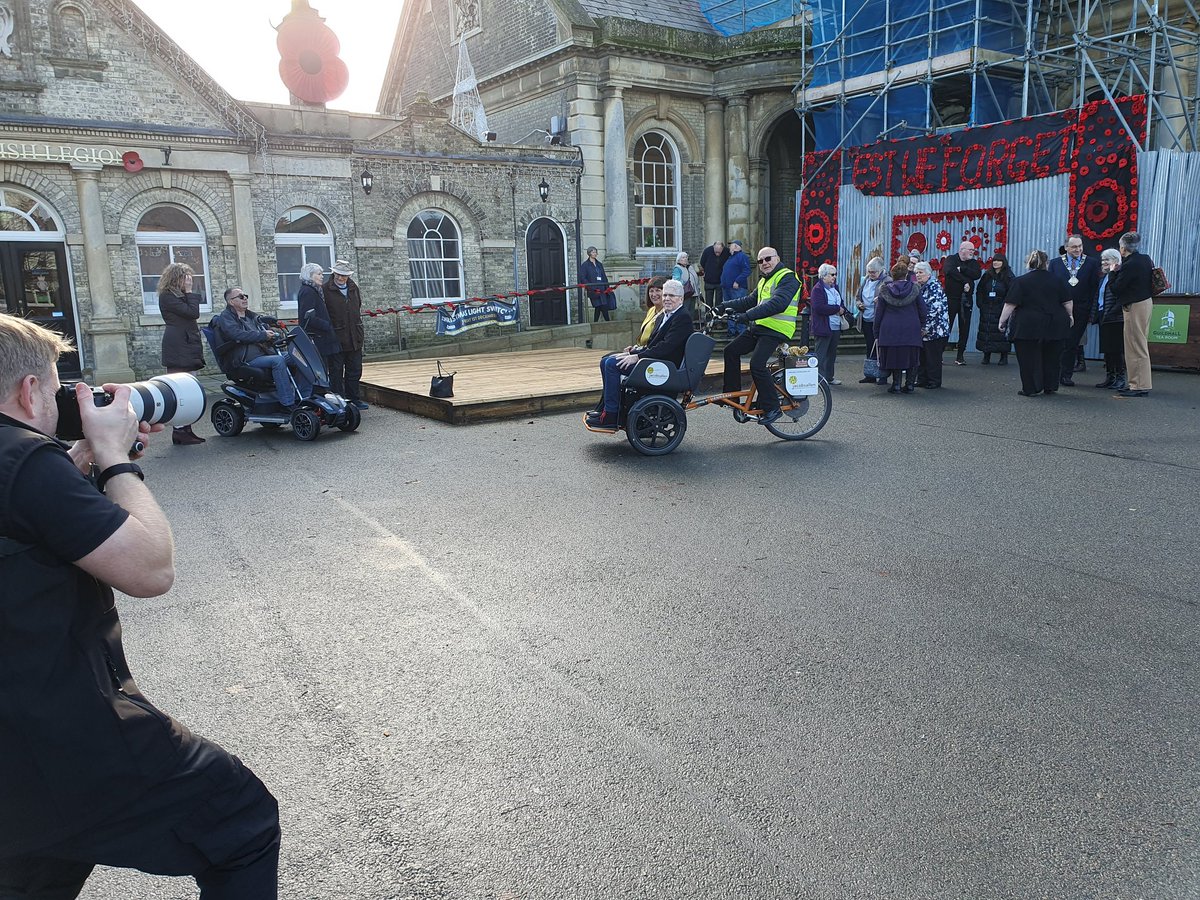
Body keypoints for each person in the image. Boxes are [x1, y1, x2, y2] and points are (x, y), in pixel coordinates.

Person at [0, 314, 280, 897]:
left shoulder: (31, 473)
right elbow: (150, 569)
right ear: (29, 392)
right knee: (240, 822)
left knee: (34, 870)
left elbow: (26, 524)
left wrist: (71, 469)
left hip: (14, 771)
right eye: (55, 390)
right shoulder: (23, 460)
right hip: (66, 741)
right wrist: (114, 460)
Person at [587, 279, 692, 429]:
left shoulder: (682, 317)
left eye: (672, 296)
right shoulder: (664, 316)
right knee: (606, 361)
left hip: (664, 367)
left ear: (681, 298)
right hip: (654, 360)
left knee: (611, 365)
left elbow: (665, 347)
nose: (667, 299)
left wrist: (637, 357)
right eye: (666, 295)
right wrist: (633, 351)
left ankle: (611, 414)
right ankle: (605, 409)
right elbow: (652, 344)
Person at [720, 246, 801, 425]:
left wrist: (746, 316)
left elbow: (778, 304)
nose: (764, 263)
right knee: (730, 351)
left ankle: (773, 407)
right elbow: (750, 300)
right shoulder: (765, 280)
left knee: (757, 364)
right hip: (760, 327)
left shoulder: (788, 277)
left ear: (777, 258)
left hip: (777, 329)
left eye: (768, 259)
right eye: (760, 261)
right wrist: (722, 306)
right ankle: (732, 398)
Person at [213, 286, 310, 407]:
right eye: (241, 297)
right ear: (231, 302)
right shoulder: (226, 317)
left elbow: (266, 331)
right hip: (246, 359)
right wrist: (263, 335)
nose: (245, 299)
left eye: (245, 296)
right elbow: (236, 334)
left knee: (299, 355)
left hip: (264, 354)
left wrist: (275, 333)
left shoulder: (252, 317)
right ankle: (288, 403)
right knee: (278, 360)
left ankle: (304, 396)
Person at [998, 249, 1072, 397]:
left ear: (1028, 263)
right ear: (1047, 263)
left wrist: (1002, 321)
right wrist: (1070, 316)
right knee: (1052, 356)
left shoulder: (1020, 281)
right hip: (1054, 322)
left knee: (1027, 358)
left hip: (1027, 324)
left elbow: (1010, 304)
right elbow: (1067, 301)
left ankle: (1030, 388)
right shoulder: (1057, 280)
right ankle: (1050, 386)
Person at [156, 262, 206, 445]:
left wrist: (188, 293)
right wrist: (190, 291)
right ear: (175, 278)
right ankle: (179, 430)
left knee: (190, 387)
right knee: (179, 388)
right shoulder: (168, 297)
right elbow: (193, 313)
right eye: (185, 277)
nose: (188, 280)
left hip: (188, 343)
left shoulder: (181, 296)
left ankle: (187, 428)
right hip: (178, 344)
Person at [1048, 234, 1101, 386]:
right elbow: (1051, 287)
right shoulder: (1055, 263)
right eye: (1074, 247)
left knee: (1072, 343)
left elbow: (1093, 288)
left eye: (1080, 246)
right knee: (1057, 342)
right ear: (1066, 248)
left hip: (1081, 310)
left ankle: (1066, 375)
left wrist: (1091, 311)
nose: (1078, 249)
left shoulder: (1091, 263)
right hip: (1059, 309)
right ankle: (1053, 373)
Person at [1108, 230, 1154, 398]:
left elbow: (1116, 288)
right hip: (1144, 302)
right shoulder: (1145, 259)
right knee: (1136, 344)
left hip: (1135, 305)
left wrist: (1113, 272)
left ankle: (1139, 385)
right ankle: (1136, 383)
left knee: (1136, 345)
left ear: (1122, 248)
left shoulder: (1130, 264)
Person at [322, 258, 369, 410]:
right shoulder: (325, 290)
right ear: (333, 273)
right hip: (336, 338)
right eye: (338, 275)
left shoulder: (353, 287)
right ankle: (338, 401)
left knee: (354, 370)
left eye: (344, 275)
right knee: (336, 371)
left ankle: (354, 399)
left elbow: (358, 307)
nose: (341, 278)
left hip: (355, 336)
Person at [873, 261, 926, 394]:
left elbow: (879, 313)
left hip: (890, 328)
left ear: (892, 274)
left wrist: (876, 331)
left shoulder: (884, 290)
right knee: (912, 357)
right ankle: (909, 385)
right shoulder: (915, 289)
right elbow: (923, 310)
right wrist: (922, 325)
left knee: (894, 356)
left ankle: (896, 385)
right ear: (906, 274)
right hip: (911, 327)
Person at [808, 262, 852, 385]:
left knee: (831, 354)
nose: (834, 277)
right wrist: (837, 309)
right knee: (821, 354)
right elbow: (819, 307)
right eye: (832, 274)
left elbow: (840, 302)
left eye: (835, 274)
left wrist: (842, 308)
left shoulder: (835, 288)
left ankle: (829, 377)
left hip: (836, 325)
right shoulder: (817, 289)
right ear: (824, 276)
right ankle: (819, 379)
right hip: (823, 326)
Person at [942, 240, 982, 365]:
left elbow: (976, 274)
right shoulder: (951, 259)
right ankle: (940, 353)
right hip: (951, 298)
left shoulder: (973, 263)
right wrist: (964, 281)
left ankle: (960, 355)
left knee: (965, 326)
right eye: (970, 250)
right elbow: (949, 271)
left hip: (966, 300)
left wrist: (963, 269)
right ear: (962, 249)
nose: (972, 252)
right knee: (946, 326)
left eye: (973, 250)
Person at [1093, 248, 1126, 390]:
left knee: (1116, 350)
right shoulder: (1103, 277)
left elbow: (1120, 296)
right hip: (1103, 315)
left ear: (1116, 260)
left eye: (1107, 259)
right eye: (1103, 260)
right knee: (1107, 349)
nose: (1104, 262)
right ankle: (1110, 376)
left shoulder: (1119, 275)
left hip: (1115, 317)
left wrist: (1112, 312)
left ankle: (1120, 377)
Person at [914, 261, 950, 390]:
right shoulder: (920, 286)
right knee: (922, 356)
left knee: (933, 357)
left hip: (936, 330)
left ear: (928, 274)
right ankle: (922, 379)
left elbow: (934, 309)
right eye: (916, 272)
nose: (918, 275)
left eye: (920, 272)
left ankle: (934, 381)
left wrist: (925, 328)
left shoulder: (934, 286)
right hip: (925, 329)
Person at [297, 262, 339, 371]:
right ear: (310, 275)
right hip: (318, 337)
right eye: (319, 274)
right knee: (321, 370)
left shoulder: (314, 290)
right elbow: (307, 315)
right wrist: (327, 325)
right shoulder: (308, 291)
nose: (322, 276)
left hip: (322, 337)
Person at [855, 256, 890, 383]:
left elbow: (891, 299)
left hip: (879, 319)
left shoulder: (887, 281)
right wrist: (859, 304)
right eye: (869, 271)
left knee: (881, 347)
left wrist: (881, 300)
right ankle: (870, 374)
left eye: (873, 272)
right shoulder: (865, 280)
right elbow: (858, 296)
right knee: (869, 346)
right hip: (866, 318)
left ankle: (882, 375)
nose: (870, 274)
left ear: (881, 270)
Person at [975, 253, 1014, 365]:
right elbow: (980, 290)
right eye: (994, 261)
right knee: (986, 330)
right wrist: (980, 303)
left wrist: (1004, 306)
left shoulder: (1008, 276)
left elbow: (1011, 293)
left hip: (1000, 308)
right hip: (987, 307)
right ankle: (986, 354)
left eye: (998, 261)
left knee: (1001, 332)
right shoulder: (987, 275)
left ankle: (1003, 356)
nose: (996, 263)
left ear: (1003, 262)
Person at [720, 239, 751, 337]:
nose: (729, 247)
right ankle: (731, 330)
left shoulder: (742, 256)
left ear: (737, 246)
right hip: (727, 288)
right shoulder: (731, 258)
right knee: (729, 310)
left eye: (731, 245)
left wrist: (737, 281)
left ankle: (741, 331)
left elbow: (747, 270)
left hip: (737, 288)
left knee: (738, 308)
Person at [580, 247, 613, 322]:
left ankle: (597, 322)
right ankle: (607, 322)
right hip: (593, 289)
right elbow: (582, 277)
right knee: (598, 305)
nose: (595, 254)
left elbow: (603, 276)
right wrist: (590, 286)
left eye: (595, 252)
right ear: (589, 253)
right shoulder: (585, 265)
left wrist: (607, 287)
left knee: (602, 305)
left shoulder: (599, 264)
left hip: (602, 288)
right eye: (593, 252)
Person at [698, 239, 730, 312]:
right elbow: (702, 262)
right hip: (709, 280)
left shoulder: (727, 251)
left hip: (720, 281)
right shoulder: (707, 251)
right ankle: (709, 317)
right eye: (716, 251)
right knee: (708, 303)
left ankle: (718, 318)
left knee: (719, 302)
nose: (717, 253)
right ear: (713, 247)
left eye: (719, 252)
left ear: (723, 248)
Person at [672, 251, 701, 319]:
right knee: (685, 310)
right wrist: (683, 285)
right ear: (678, 259)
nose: (685, 259)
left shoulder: (689, 267)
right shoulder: (677, 268)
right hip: (685, 293)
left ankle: (690, 326)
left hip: (692, 292)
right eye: (683, 257)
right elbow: (676, 279)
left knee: (691, 311)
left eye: (686, 257)